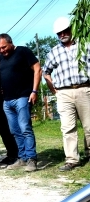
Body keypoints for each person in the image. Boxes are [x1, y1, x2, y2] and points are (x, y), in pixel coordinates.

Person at [43, 16, 90, 171]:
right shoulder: (54, 52)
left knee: (89, 126)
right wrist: (54, 90)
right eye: (59, 33)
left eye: (65, 31)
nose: (62, 34)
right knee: (68, 127)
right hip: (64, 93)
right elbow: (46, 72)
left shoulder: (85, 45)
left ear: (71, 29)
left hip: (85, 89)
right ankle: (72, 159)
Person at [0, 33, 42, 172]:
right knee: (14, 131)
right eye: (0, 49)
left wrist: (34, 91)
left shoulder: (23, 51)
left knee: (25, 128)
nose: (2, 50)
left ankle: (31, 159)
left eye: (4, 47)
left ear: (11, 43)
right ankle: (22, 158)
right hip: (8, 101)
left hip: (23, 97)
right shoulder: (1, 59)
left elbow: (37, 69)